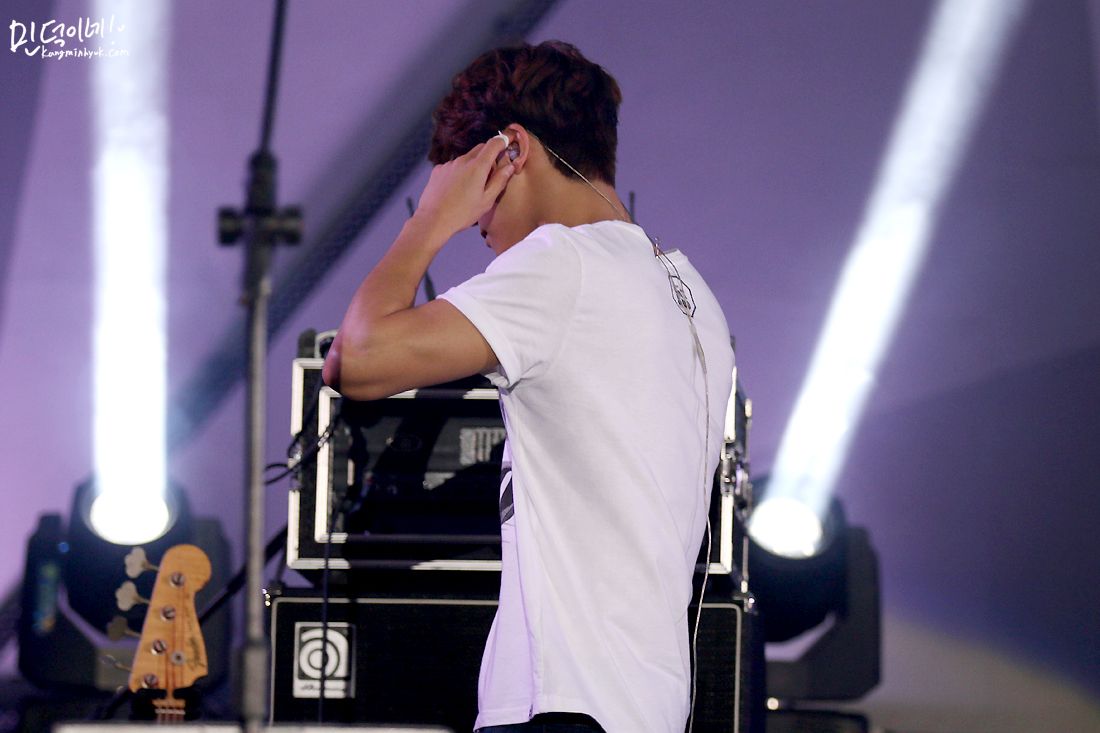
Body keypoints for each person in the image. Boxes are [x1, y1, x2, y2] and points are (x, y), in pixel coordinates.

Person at [323, 41, 734, 733]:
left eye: (475, 192)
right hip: (647, 709)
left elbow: (356, 361)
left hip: (561, 706)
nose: (479, 226)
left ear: (508, 151)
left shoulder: (563, 264)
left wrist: (430, 218)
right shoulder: (691, 294)